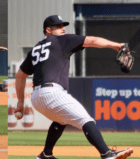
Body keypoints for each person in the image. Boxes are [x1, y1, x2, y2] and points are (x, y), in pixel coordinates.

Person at [14, 15, 133, 159]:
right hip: (52, 92)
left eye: (63, 25)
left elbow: (20, 76)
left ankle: (46, 154)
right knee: (85, 120)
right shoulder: (61, 40)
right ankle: (106, 154)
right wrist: (116, 45)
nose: (63, 28)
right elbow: (92, 41)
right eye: (58, 26)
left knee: (61, 119)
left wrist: (20, 103)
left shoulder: (35, 49)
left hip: (36, 98)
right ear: (48, 30)